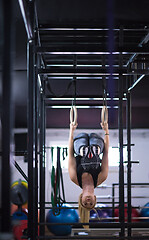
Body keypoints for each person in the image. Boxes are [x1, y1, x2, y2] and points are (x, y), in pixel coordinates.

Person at [68, 121, 109, 227]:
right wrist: (106, 131)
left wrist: (71, 131)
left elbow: (70, 154)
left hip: (79, 142)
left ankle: (84, 152)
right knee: (97, 147)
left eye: (85, 203)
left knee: (79, 148)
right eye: (91, 203)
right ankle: (93, 152)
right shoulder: (101, 178)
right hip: (97, 142)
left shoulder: (74, 178)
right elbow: (106, 153)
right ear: (95, 198)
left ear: (81, 198)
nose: (88, 201)